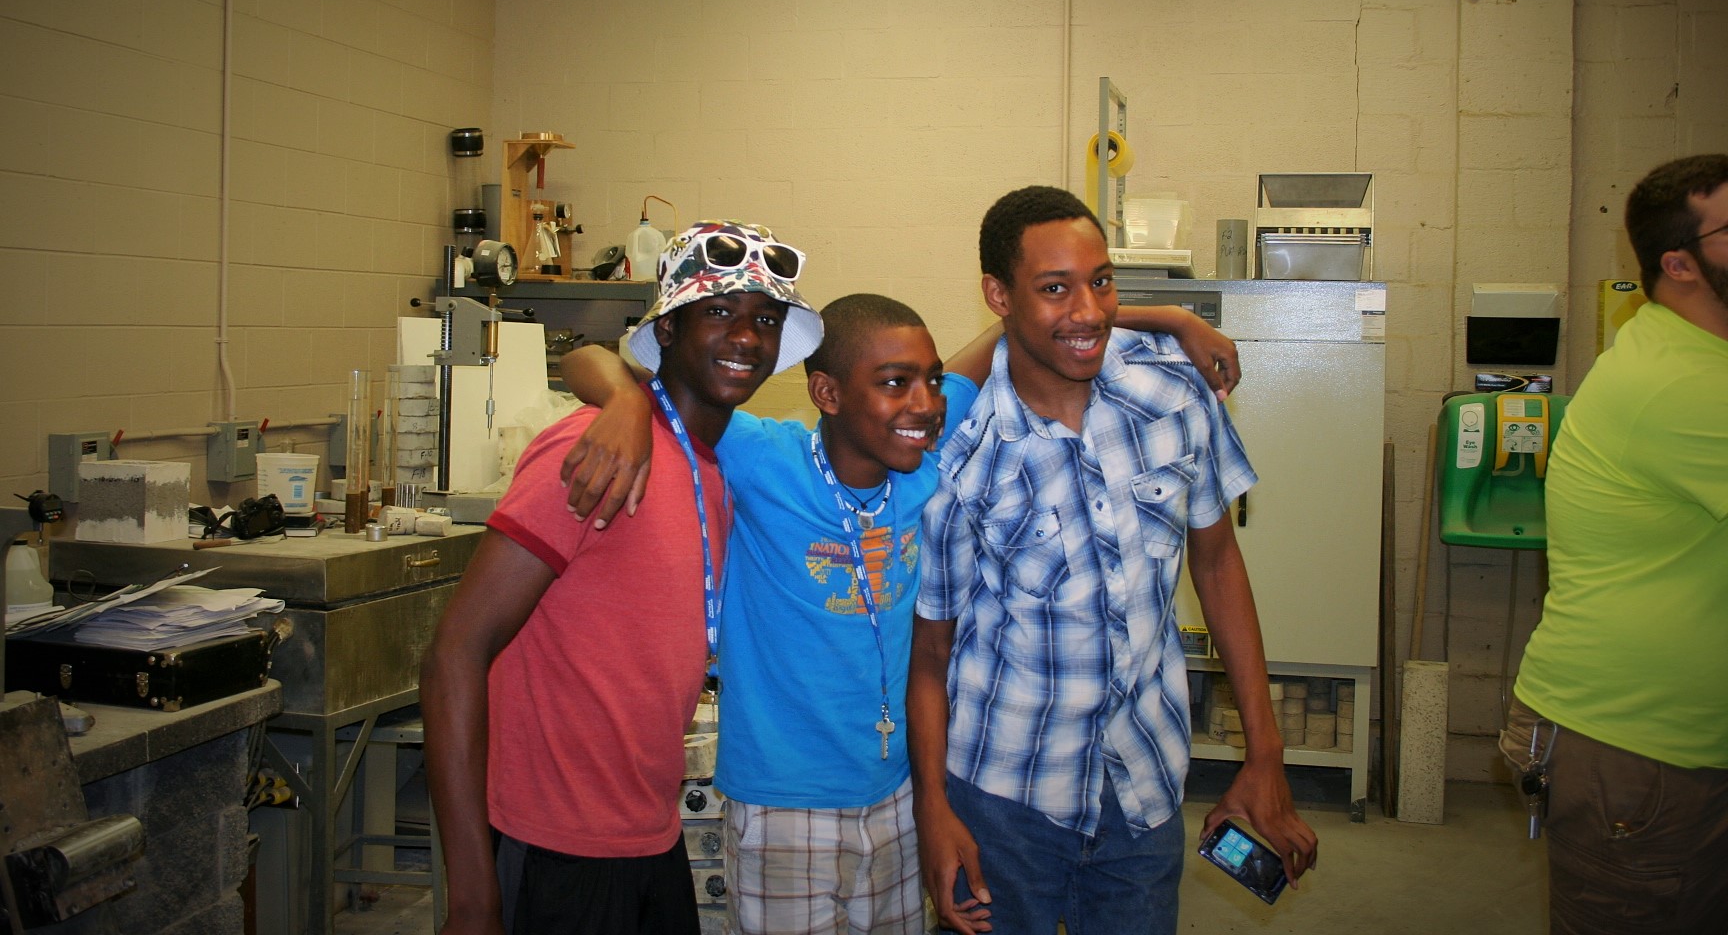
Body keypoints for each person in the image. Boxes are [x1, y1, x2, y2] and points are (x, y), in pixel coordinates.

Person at [559, 295, 1239, 935]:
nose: (926, 402)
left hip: (897, 797)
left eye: (933, 380)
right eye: (895, 383)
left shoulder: (923, 466)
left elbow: (1018, 323)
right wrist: (624, 399)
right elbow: (588, 358)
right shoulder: (762, 457)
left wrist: (1173, 318)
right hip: (783, 803)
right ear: (827, 394)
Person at [908, 185, 1318, 935]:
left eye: (1101, 281)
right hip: (1004, 798)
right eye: (1054, 288)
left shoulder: (1173, 392)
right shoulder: (959, 451)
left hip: (1143, 782)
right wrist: (932, 808)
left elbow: (1217, 564)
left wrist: (1265, 751)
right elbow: (931, 653)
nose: (1090, 310)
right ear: (998, 296)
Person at [420, 221, 822, 935]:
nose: (746, 337)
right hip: (554, 845)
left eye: (765, 320)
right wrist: (472, 893)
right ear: (666, 330)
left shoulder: (711, 469)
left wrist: (624, 393)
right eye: (719, 311)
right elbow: (455, 653)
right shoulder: (593, 453)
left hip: (647, 833)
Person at [1503, 154, 1728, 935]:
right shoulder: (1680, 384)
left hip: (1662, 739)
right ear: (1679, 263)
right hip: (1641, 750)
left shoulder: (1685, 351)